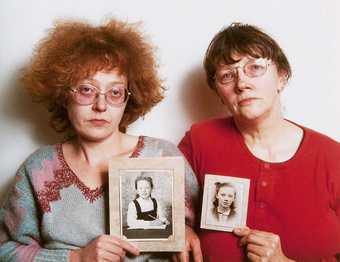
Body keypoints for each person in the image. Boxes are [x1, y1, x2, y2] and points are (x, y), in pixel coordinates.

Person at [0, 18, 202, 262]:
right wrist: (77, 257)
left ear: (129, 98)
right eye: (87, 89)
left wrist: (188, 231)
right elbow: (6, 250)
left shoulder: (162, 156)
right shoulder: (39, 168)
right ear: (64, 95)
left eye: (115, 92)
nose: (101, 105)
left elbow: (210, 226)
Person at [178, 22, 340, 261]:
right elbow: (157, 198)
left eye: (254, 67)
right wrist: (180, 229)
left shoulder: (332, 157)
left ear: (282, 77)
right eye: (227, 76)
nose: (241, 83)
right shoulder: (201, 141)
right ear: (219, 95)